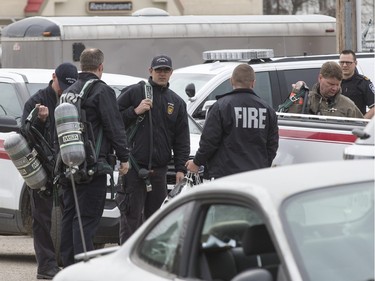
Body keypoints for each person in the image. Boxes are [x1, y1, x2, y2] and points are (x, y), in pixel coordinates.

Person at [58, 48, 129, 266]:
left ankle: (66, 268)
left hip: (69, 165)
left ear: (81, 65)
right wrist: (124, 157)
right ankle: (83, 271)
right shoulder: (101, 91)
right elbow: (113, 126)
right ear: (100, 67)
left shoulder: (68, 91)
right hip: (93, 166)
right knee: (86, 220)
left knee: (70, 217)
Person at [117, 54, 190, 244]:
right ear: (150, 71)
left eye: (166, 70)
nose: (162, 74)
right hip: (134, 169)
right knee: (131, 220)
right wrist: (135, 111)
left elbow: (182, 139)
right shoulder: (135, 92)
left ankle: (149, 264)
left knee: (156, 223)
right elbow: (113, 121)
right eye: (159, 70)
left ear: (171, 73)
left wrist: (181, 168)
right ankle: (124, 267)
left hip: (159, 172)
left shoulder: (177, 102)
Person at [21, 62, 78, 279]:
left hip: (65, 167)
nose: (64, 90)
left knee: (69, 215)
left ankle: (68, 263)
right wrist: (40, 120)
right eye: (62, 84)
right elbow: (24, 133)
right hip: (42, 168)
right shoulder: (37, 100)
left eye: (69, 86)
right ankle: (46, 266)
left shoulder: (71, 99)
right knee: (42, 218)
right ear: (53, 77)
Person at [186, 63, 279, 179]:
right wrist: (263, 165)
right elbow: (272, 145)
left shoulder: (220, 107)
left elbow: (209, 142)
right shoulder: (267, 109)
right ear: (253, 83)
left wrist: (196, 162)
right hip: (256, 176)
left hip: (225, 176)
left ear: (231, 81)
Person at [287, 61, 363, 118]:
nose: (335, 88)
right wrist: (296, 94)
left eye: (338, 84)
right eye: (331, 84)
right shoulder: (305, 100)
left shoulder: (348, 106)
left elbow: (363, 130)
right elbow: (290, 123)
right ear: (320, 78)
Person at [339, 50, 375, 119]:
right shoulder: (334, 81)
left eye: (348, 63)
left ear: (355, 63)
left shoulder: (363, 82)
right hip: (334, 125)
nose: (344, 65)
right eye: (342, 62)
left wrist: (362, 121)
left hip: (355, 126)